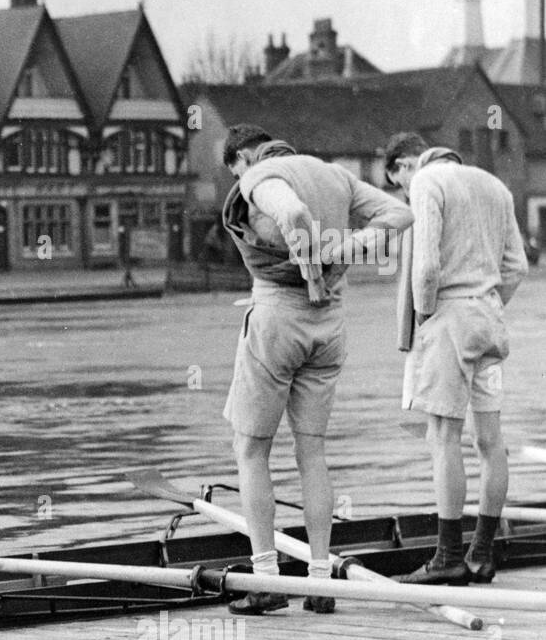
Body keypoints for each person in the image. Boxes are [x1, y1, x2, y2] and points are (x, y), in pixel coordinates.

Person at [220, 124, 413, 615]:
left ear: (244, 156)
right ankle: (321, 581)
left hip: (279, 317)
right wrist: (340, 253)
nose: (238, 183)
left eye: (234, 171)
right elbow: (400, 213)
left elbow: (292, 212)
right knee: (312, 451)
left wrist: (308, 267)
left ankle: (267, 581)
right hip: (329, 324)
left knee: (251, 448)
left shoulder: (259, 175)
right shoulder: (336, 175)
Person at [384, 133, 528, 584]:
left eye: (399, 184)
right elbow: (518, 267)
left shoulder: (428, 182)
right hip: (489, 318)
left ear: (407, 165)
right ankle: (482, 555)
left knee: (442, 436)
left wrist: (428, 316)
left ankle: (447, 558)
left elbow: (425, 267)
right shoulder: (495, 186)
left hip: (449, 317)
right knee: (490, 440)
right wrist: (488, 300)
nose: (406, 193)